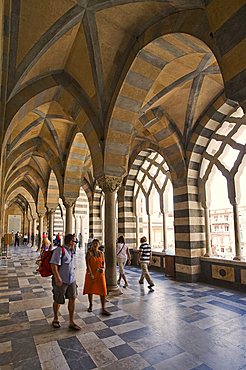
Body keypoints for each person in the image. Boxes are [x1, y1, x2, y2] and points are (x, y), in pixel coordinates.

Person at [50, 234, 81, 330]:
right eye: (75, 241)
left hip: (71, 280)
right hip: (61, 280)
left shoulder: (71, 251)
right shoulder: (59, 250)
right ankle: (55, 319)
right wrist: (57, 277)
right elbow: (53, 264)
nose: (76, 243)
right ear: (71, 241)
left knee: (72, 298)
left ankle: (71, 321)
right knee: (58, 300)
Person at [83, 239, 111, 316]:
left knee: (103, 290)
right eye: (94, 243)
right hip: (91, 274)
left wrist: (103, 269)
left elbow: (103, 263)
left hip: (100, 274)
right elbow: (88, 264)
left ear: (99, 244)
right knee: (90, 290)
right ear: (92, 244)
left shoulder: (101, 253)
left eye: (97, 243)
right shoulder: (89, 253)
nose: (95, 245)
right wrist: (90, 274)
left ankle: (103, 308)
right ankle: (91, 305)